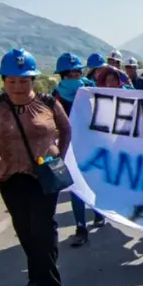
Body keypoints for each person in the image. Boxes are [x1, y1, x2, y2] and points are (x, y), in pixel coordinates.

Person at [0, 49, 71, 286]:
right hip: (9, 176)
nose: (17, 86)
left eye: (23, 80)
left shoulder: (48, 103)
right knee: (23, 228)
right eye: (11, 81)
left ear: (32, 80)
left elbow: (66, 129)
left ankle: (49, 283)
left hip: (43, 175)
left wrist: (59, 158)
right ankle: (35, 273)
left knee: (42, 226)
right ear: (3, 81)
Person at [52, 53, 105, 247]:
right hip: (71, 148)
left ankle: (99, 214)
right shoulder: (55, 96)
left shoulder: (91, 90)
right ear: (62, 75)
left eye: (77, 72)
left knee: (95, 182)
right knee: (76, 188)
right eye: (70, 73)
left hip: (93, 145)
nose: (74, 76)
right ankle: (81, 227)